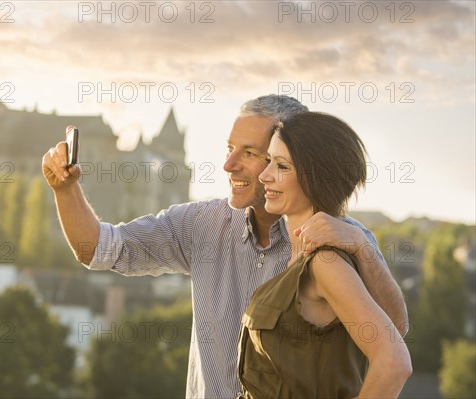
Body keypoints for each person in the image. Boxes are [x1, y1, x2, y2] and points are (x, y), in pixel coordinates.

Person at [41, 95, 408, 399]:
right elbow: (101, 249)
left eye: (249, 152)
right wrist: (65, 190)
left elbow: (394, 338)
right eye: (230, 148)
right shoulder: (200, 225)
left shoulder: (340, 242)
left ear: (296, 158)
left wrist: (364, 247)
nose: (228, 164)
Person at [238, 112, 412, 398]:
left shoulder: (324, 262)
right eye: (269, 161)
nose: (264, 175)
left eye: (281, 166)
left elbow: (394, 362)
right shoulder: (301, 256)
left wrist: (360, 244)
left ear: (316, 177)